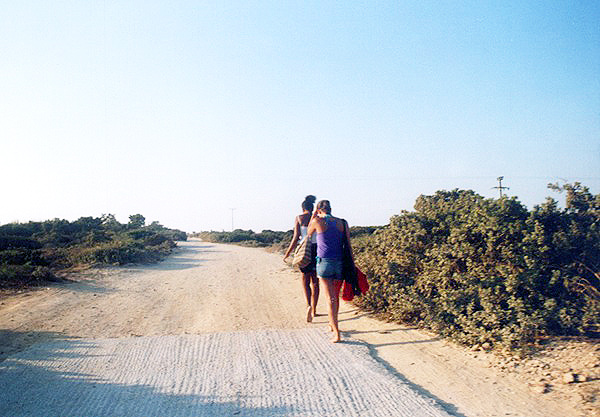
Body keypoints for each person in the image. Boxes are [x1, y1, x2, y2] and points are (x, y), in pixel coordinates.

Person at [307, 199, 354, 343]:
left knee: (330, 299)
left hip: (324, 262)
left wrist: (314, 215)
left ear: (319, 210)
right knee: (335, 297)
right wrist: (352, 263)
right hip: (340, 262)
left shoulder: (317, 221)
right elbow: (349, 246)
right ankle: (331, 324)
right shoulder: (343, 223)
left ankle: (337, 332)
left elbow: (308, 232)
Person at [283, 195, 319, 323]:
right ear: (312, 207)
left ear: (302, 208)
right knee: (315, 281)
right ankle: (314, 309)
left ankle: (308, 305)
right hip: (316, 250)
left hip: (304, 250)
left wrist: (288, 253)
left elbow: (295, 237)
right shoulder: (317, 218)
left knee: (305, 279)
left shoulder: (299, 218)